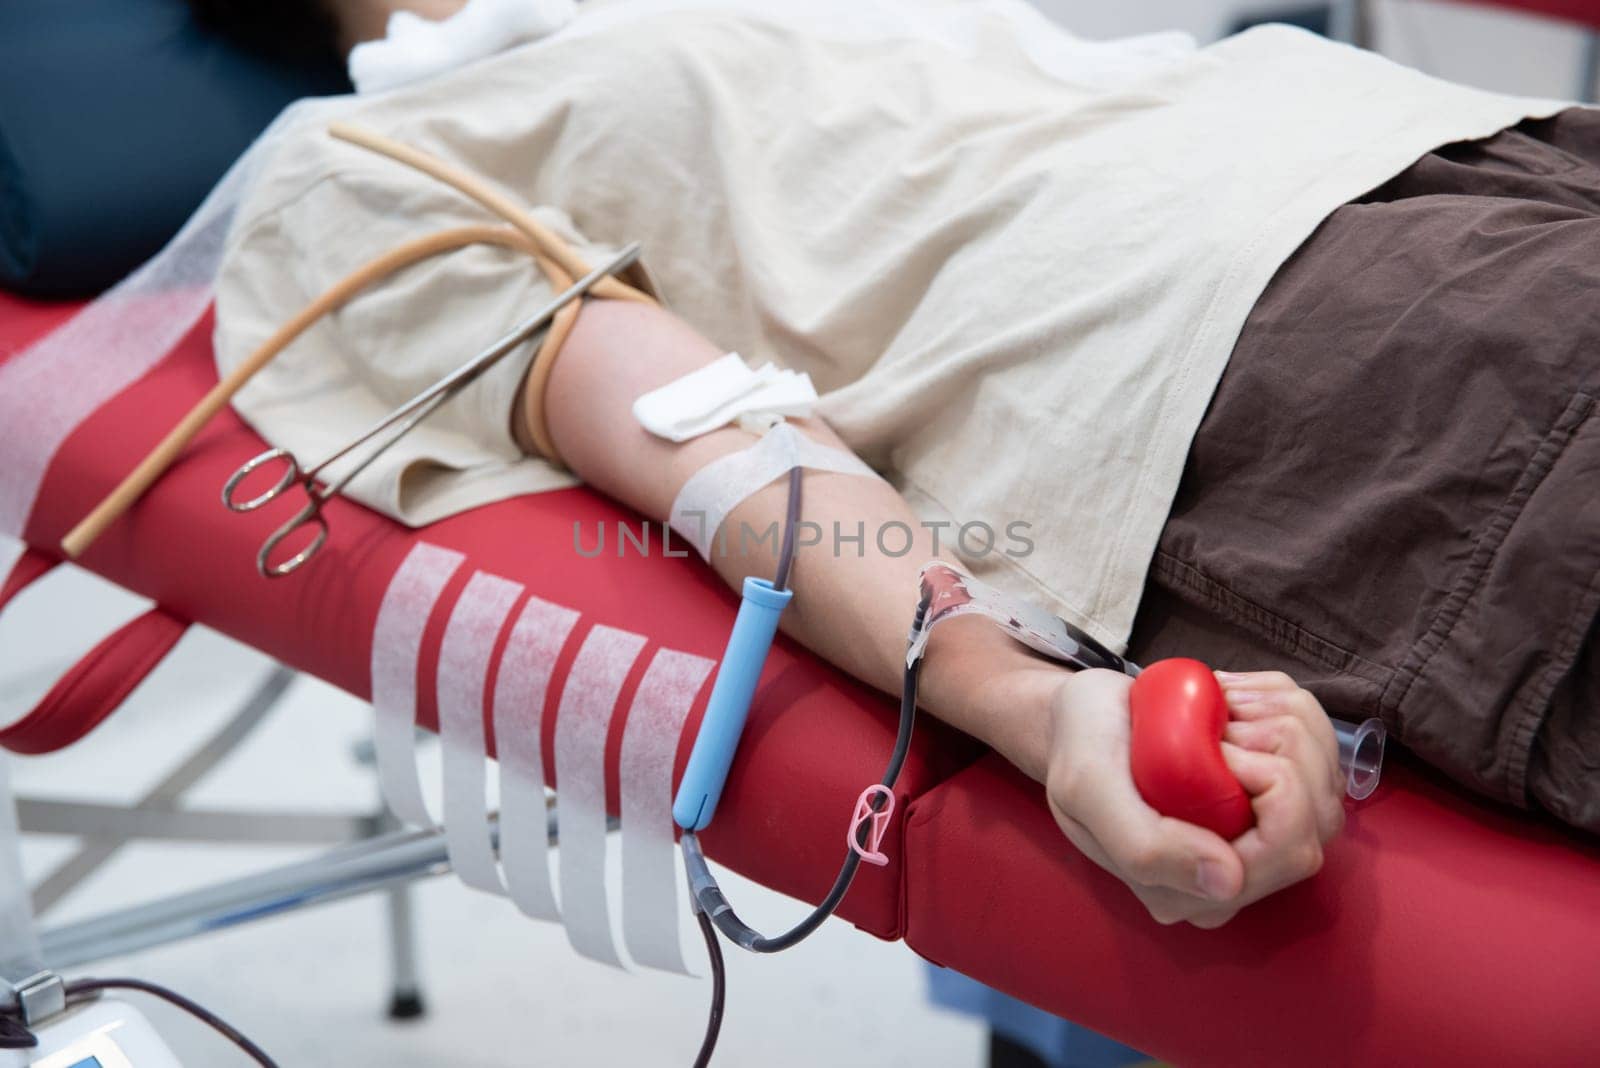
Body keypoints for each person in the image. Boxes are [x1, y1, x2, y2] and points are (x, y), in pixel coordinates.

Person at [194, 0, 1597, 947]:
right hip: (1291, 337)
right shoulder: (354, 163)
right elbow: (705, 434)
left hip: (1448, 143)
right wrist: (1028, 703)